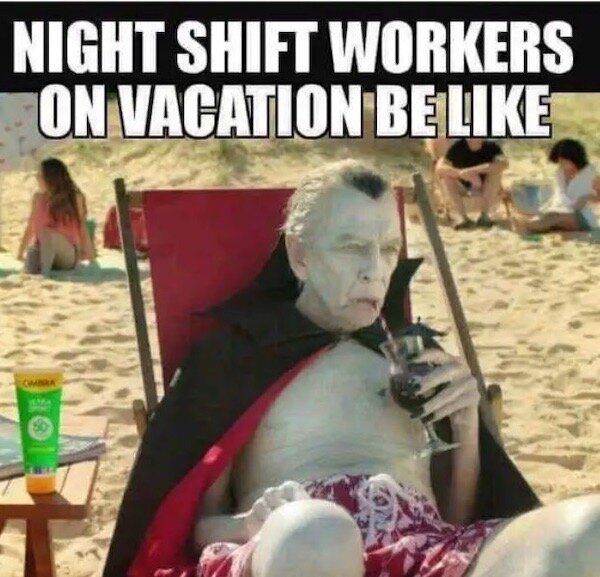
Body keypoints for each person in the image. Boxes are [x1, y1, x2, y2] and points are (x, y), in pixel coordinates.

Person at [104, 160, 599, 577]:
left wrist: (467, 425)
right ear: (300, 255)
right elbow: (196, 527)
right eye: (352, 248)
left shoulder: (412, 356)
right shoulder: (241, 355)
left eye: (388, 250)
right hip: (295, 546)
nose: (375, 271)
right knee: (321, 534)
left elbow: (455, 519)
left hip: (423, 550)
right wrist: (249, 523)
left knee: (590, 529)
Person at [17, 158, 96, 275]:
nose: (37, 178)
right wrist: (20, 253)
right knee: (33, 252)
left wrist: (92, 259)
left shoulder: (74, 197)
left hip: (66, 254)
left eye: (40, 175)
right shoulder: (38, 198)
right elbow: (31, 226)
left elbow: (82, 228)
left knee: (48, 233)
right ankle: (37, 273)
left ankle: (45, 274)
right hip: (43, 250)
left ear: (50, 177)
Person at [511, 139, 600, 234]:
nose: (561, 165)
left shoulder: (591, 173)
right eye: (559, 162)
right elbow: (558, 196)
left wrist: (586, 198)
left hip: (582, 216)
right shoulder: (560, 173)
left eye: (564, 162)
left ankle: (527, 225)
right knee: (548, 216)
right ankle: (528, 225)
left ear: (574, 158)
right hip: (561, 210)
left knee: (556, 217)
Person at [436, 138, 509, 230]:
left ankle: (485, 216)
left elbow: (504, 164)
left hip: (486, 186)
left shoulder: (491, 146)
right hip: (463, 186)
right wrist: (461, 174)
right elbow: (440, 168)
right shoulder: (458, 146)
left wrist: (473, 171)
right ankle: (462, 218)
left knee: (496, 173)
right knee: (447, 178)